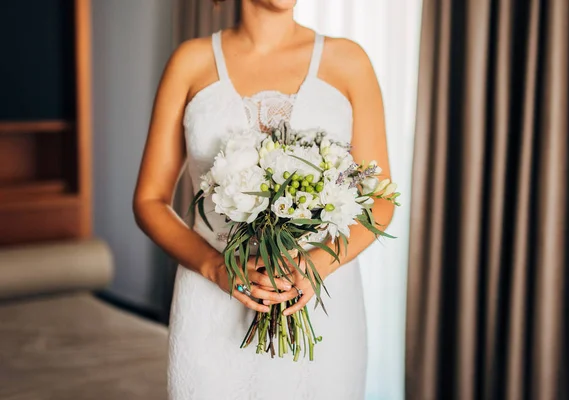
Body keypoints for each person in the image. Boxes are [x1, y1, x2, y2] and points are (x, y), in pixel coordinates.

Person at [133, 0, 394, 398]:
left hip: (320, 303)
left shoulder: (349, 61)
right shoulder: (190, 62)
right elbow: (150, 200)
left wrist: (317, 266)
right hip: (211, 302)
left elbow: (380, 200)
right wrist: (215, 267)